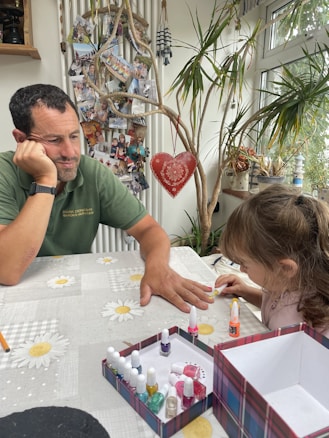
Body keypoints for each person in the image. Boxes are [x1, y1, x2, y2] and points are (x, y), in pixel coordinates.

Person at [0, 84, 214, 313]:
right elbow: (7, 270)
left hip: (76, 292)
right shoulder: (4, 173)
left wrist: (157, 267)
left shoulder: (91, 173)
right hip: (16, 301)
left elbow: (149, 230)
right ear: (21, 139)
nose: (71, 152)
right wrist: (45, 180)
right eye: (53, 140)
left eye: (74, 136)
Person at [215, 184, 329, 337]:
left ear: (285, 268)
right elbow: (276, 305)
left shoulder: (315, 324)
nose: (241, 269)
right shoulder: (284, 283)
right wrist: (246, 291)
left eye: (245, 264)